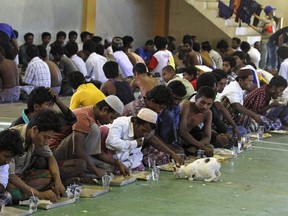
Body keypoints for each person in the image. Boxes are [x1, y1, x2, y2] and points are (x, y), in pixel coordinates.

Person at [53, 96, 130, 177]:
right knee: (94, 129)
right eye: (111, 118)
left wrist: (117, 163)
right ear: (104, 109)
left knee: (109, 167)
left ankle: (83, 171)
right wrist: (95, 170)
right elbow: (77, 150)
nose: (111, 122)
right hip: (56, 154)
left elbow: (96, 152)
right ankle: (82, 171)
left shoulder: (96, 118)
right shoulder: (84, 115)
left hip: (76, 155)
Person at [8, 110, 66, 203]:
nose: (47, 142)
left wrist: (58, 181)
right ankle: (32, 193)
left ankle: (29, 192)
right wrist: (39, 194)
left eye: (50, 138)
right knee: (12, 193)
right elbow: (10, 175)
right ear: (35, 129)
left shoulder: (36, 137)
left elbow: (50, 157)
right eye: (46, 137)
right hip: (8, 179)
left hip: (22, 177)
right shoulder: (13, 138)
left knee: (51, 175)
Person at [123, 85, 184, 165]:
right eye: (160, 108)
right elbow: (150, 137)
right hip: (127, 145)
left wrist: (172, 151)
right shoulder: (139, 111)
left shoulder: (148, 108)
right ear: (152, 101)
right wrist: (172, 152)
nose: (160, 111)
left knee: (173, 154)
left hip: (140, 143)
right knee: (163, 156)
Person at [179, 86, 215, 156]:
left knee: (210, 147)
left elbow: (207, 137)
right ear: (196, 99)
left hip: (189, 140)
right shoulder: (186, 105)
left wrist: (195, 147)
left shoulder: (208, 113)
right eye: (202, 102)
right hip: (176, 138)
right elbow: (182, 131)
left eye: (208, 104)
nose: (205, 107)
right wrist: (201, 147)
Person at [0, 129, 24, 206]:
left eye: (10, 157)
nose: (8, 161)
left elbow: (2, 186)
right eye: (6, 156)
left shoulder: (4, 165)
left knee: (7, 196)